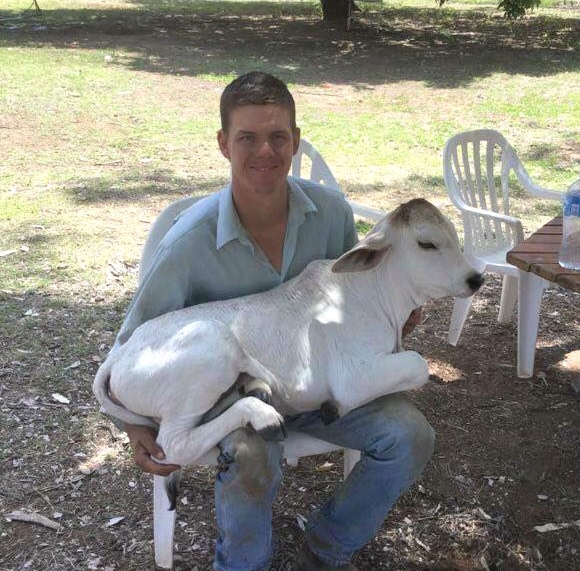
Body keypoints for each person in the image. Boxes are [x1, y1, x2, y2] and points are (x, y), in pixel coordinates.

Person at [103, 71, 434, 571]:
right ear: (223, 144)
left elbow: (356, 300)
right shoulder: (187, 243)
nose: (265, 151)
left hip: (327, 382)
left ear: (296, 141)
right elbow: (134, 343)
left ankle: (325, 549)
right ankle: (241, 565)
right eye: (248, 138)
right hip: (233, 396)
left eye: (279, 136)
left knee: (411, 436)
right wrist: (133, 427)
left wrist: (397, 317)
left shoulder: (330, 213)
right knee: (252, 456)